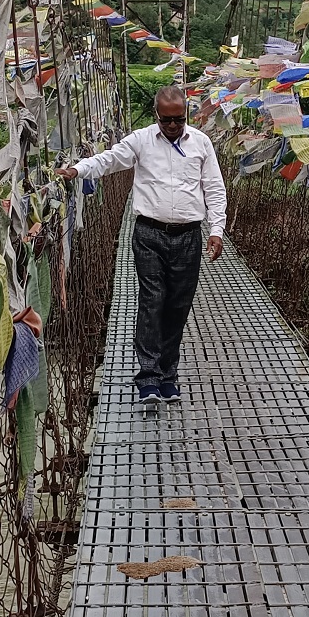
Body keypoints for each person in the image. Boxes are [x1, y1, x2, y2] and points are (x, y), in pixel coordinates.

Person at [59, 85, 226, 403]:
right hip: (149, 233)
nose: (174, 127)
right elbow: (109, 160)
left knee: (178, 307)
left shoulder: (201, 144)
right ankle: (148, 377)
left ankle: (168, 375)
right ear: (157, 116)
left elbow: (214, 188)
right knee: (152, 302)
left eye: (179, 120)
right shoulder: (142, 139)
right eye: (167, 121)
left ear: (186, 115)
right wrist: (77, 170)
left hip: (189, 235)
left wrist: (216, 229)